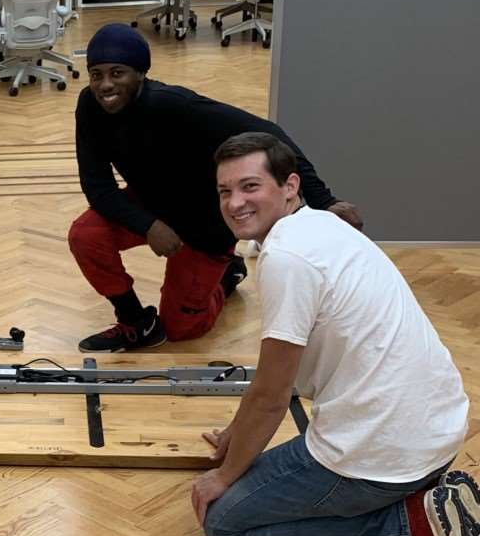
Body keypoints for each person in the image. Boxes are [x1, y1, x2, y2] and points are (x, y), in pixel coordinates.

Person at [192, 131, 477, 536]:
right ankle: (428, 506)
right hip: (437, 435)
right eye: (225, 191)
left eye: (249, 186)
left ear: (289, 186)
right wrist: (234, 435)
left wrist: (224, 474)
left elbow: (272, 395)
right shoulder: (325, 225)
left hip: (381, 456)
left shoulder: (287, 258)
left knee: (224, 524)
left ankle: (406, 533)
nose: (234, 203)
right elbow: (269, 384)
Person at [68, 23, 362, 352]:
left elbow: (271, 137)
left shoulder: (172, 105)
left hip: (204, 223)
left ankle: (225, 276)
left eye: (117, 73)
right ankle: (137, 322)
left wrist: (324, 201)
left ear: (140, 73)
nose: (105, 84)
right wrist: (148, 225)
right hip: (151, 204)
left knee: (182, 329)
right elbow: (98, 187)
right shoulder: (90, 107)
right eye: (96, 74)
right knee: (86, 236)